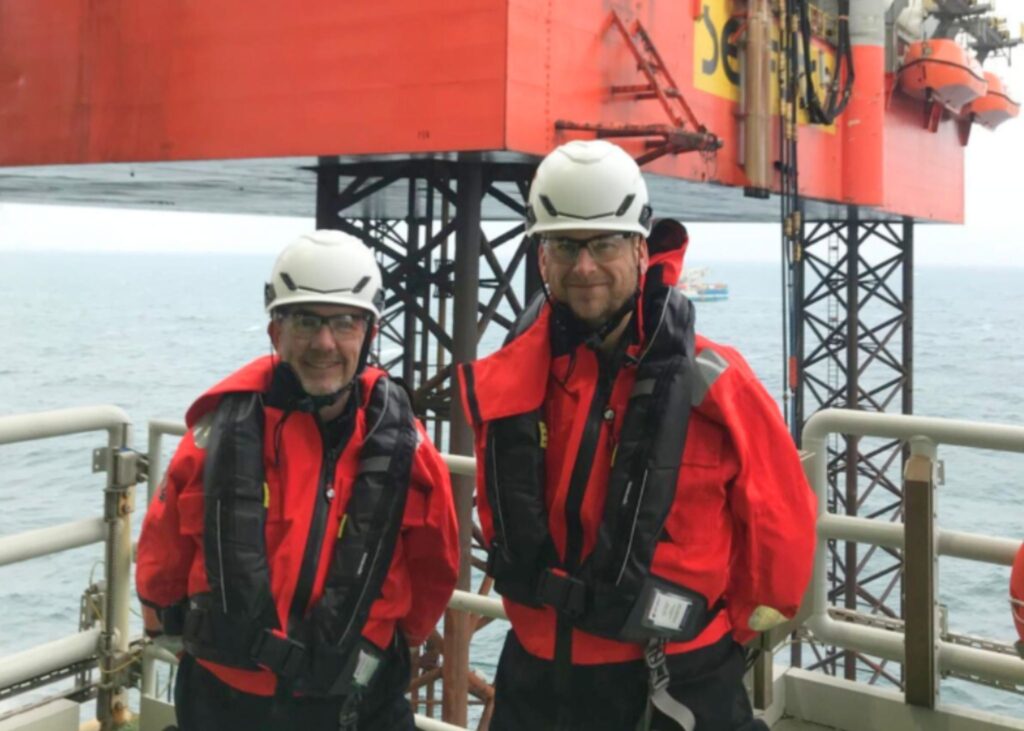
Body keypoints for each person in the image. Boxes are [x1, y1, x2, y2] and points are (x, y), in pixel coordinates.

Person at [456, 139, 817, 731]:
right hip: (535, 677)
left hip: (673, 677)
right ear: (541, 257)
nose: (584, 267)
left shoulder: (713, 382)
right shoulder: (513, 380)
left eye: (604, 244)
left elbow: (781, 525)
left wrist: (728, 633)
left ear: (641, 248)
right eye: (565, 246)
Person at [136, 230, 460, 731]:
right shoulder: (214, 441)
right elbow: (162, 560)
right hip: (225, 699)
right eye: (306, 321)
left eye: (345, 322)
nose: (324, 343)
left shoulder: (405, 450)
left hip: (353, 702)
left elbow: (435, 565)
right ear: (276, 331)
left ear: (369, 333)